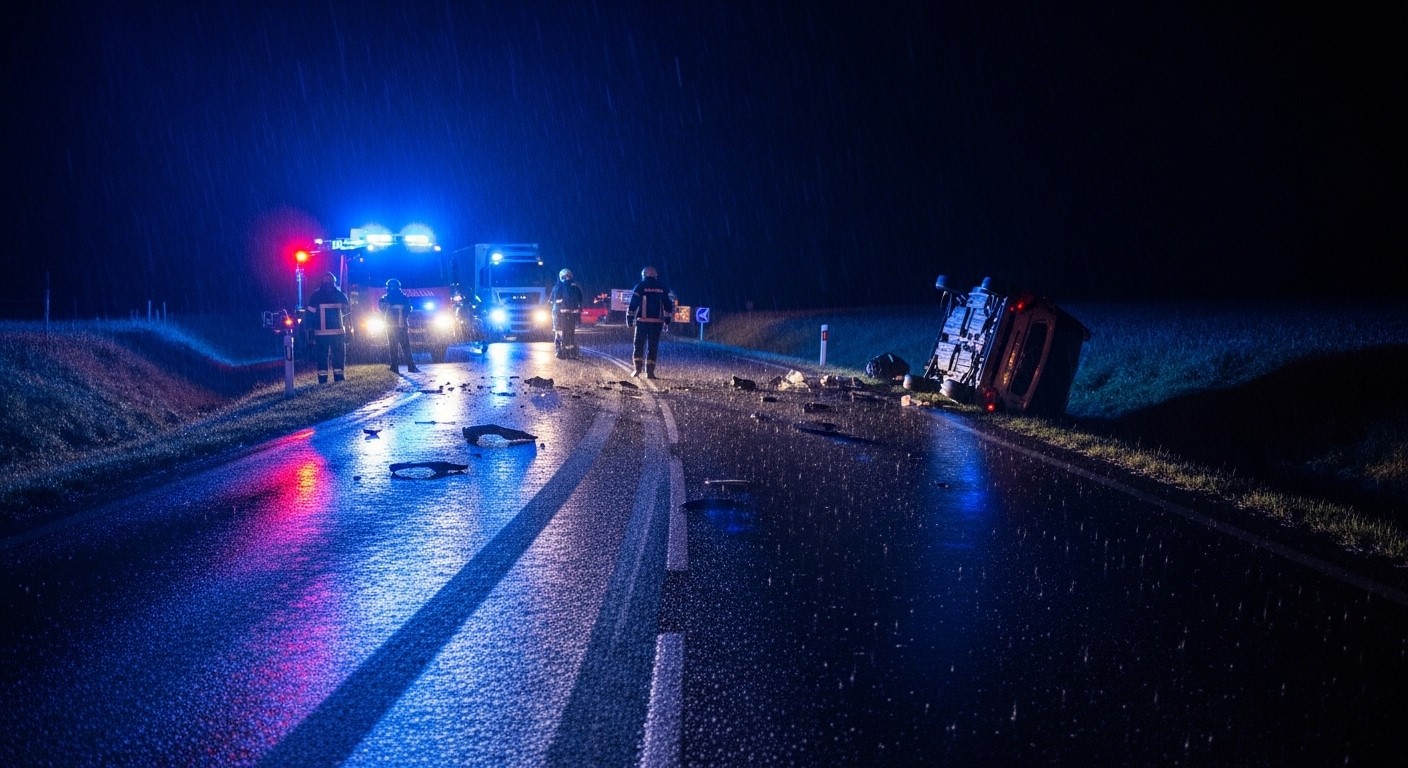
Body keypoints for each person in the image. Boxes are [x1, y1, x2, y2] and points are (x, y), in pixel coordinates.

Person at [626, 265, 674, 379]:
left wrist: (630, 318)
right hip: (657, 322)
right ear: (655, 275)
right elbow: (668, 305)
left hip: (642, 321)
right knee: (653, 347)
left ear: (644, 275)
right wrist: (667, 321)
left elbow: (633, 304)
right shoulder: (663, 287)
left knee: (639, 345)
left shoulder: (640, 286)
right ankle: (650, 372)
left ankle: (637, 369)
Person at [304, 271, 349, 384]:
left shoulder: (316, 296)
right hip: (338, 333)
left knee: (321, 356)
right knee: (338, 355)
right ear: (334, 282)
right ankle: (339, 378)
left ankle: (322, 379)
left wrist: (309, 330)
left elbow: (310, 314)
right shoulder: (340, 295)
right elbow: (347, 311)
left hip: (321, 333)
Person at [378, 278, 420, 373]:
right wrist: (403, 317)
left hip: (390, 327)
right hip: (402, 326)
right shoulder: (403, 298)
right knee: (406, 347)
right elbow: (408, 309)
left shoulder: (385, 298)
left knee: (393, 347)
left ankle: (394, 367)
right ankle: (411, 366)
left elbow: (381, 308)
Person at [550, 268, 585, 359]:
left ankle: (567, 350)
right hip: (563, 314)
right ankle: (564, 350)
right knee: (563, 332)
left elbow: (580, 299)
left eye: (568, 276)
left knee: (567, 332)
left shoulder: (571, 287)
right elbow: (552, 300)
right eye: (565, 277)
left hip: (566, 314)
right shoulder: (562, 287)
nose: (566, 279)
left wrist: (578, 310)